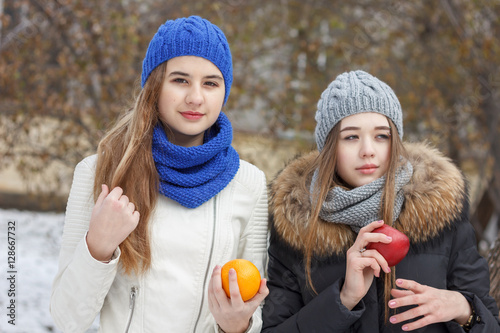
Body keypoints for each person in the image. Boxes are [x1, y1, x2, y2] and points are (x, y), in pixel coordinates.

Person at [50, 16, 269, 333]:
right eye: (180, 80)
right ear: (154, 86)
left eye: (210, 83)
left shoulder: (248, 183)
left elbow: (256, 310)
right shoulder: (100, 172)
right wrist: (98, 246)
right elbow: (67, 319)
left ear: (225, 92)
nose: (195, 97)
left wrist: (237, 325)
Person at [261, 70, 500, 332]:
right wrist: (343, 299)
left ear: (394, 141)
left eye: (381, 136)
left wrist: (463, 308)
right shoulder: (295, 227)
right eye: (351, 136)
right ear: (330, 147)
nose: (368, 150)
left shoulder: (441, 213)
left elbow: (489, 322)